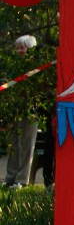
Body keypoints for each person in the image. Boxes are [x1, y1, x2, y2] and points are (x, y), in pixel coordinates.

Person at [3, 35, 40, 188]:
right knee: (14, 143)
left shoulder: (35, 67)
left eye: (22, 47)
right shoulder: (13, 67)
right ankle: (10, 178)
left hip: (30, 110)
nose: (19, 51)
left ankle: (22, 180)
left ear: (30, 49)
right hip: (15, 108)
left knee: (26, 144)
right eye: (17, 48)